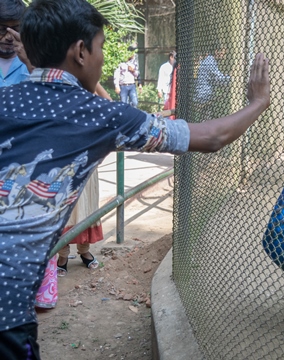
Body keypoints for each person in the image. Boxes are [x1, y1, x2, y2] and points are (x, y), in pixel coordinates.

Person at [0, 0, 270, 359]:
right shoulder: (100, 114)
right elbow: (211, 137)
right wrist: (258, 103)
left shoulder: (7, 99)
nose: (101, 60)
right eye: (99, 48)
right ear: (80, 51)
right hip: (8, 306)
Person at [0, 0, 32, 87]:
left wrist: (29, 63)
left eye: (16, 29)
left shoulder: (35, 60)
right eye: (2, 29)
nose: (9, 37)